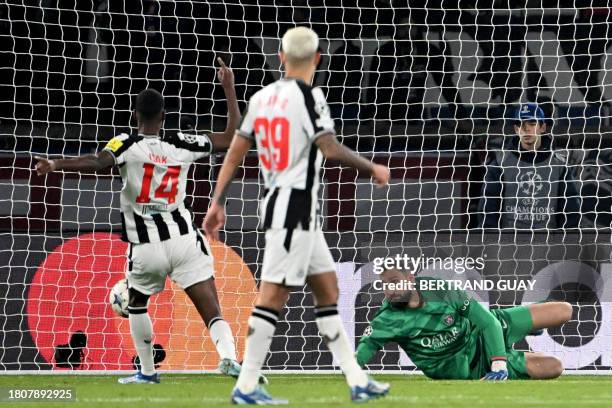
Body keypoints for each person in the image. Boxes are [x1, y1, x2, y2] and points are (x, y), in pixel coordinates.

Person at [34, 60, 261, 384]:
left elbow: (97, 162)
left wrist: (56, 163)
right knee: (211, 306)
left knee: (136, 303)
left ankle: (148, 372)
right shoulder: (182, 142)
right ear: (164, 117)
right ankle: (227, 358)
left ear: (135, 117)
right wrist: (228, 88)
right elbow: (231, 137)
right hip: (184, 240)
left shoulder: (125, 144)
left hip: (146, 245)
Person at [203, 27, 391, 404]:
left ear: (281, 58)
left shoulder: (260, 98)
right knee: (272, 296)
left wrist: (217, 201)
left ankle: (356, 379)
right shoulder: (311, 97)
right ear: (319, 59)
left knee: (328, 290)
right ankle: (246, 385)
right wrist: (371, 167)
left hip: (295, 211)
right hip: (294, 209)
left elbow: (236, 152)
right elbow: (329, 146)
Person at [357, 267, 572, 380]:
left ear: (411, 278)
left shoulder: (441, 289)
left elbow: (487, 322)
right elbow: (366, 348)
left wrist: (499, 361)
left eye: (394, 282)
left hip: (479, 331)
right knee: (554, 366)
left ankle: (519, 337)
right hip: (473, 367)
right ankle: (510, 354)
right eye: (384, 285)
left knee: (564, 310)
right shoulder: (386, 319)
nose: (389, 290)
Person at [478, 102, 581, 230]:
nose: (526, 129)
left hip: (549, 245)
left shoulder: (559, 165)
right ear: (516, 129)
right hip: (508, 245)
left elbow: (571, 211)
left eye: (532, 124)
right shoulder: (500, 163)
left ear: (542, 127)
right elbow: (488, 211)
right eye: (521, 125)